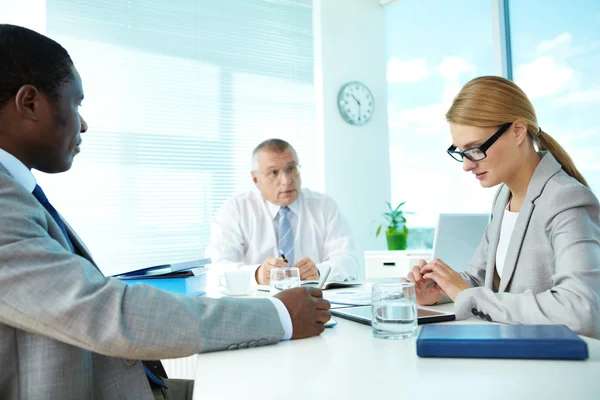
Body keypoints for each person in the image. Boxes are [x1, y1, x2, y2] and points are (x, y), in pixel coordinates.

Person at [0, 24, 331, 400]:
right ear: (29, 103)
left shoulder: (17, 191)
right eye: (76, 104)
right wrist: (279, 316)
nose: (84, 123)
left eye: (292, 168)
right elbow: (104, 311)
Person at [406, 76, 600, 339]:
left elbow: (580, 309)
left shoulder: (566, 199)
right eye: (461, 152)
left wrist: (468, 297)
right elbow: (478, 279)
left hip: (552, 369)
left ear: (518, 131)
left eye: (475, 149)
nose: (466, 165)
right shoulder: (504, 196)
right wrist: (438, 290)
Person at [205, 139, 359, 284]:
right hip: (259, 305)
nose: (286, 180)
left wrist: (319, 272)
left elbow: (349, 262)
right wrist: (256, 274)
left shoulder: (324, 206)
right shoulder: (235, 210)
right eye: (274, 173)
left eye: (291, 169)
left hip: (314, 305)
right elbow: (215, 269)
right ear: (256, 180)